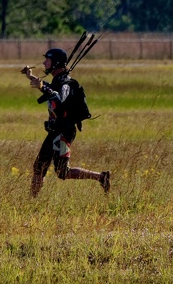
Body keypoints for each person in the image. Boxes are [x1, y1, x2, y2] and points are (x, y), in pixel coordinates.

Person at [26, 47, 110, 197]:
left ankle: (101, 177)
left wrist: (43, 88)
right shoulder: (57, 80)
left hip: (64, 131)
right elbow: (48, 88)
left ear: (56, 63)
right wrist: (30, 76)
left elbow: (58, 98)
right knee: (39, 167)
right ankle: (31, 201)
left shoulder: (66, 83)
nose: (44, 63)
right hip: (54, 131)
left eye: (48, 60)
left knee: (62, 172)